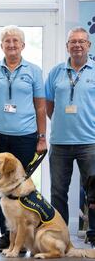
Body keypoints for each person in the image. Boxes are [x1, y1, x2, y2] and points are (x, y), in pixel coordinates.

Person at [0, 25, 46, 252]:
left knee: (20, 186)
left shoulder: (33, 71)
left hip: (25, 137)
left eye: (16, 41)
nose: (12, 44)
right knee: (2, 184)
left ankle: (23, 235)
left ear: (23, 45)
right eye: (8, 41)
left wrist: (42, 137)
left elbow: (41, 106)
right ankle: (6, 235)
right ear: (2, 46)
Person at [45, 26, 95, 248]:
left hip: (89, 142)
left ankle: (93, 235)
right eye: (73, 41)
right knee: (57, 192)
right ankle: (59, 236)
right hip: (60, 142)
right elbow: (48, 105)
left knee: (93, 193)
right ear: (67, 46)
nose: (77, 45)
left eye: (81, 41)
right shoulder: (56, 72)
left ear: (88, 45)